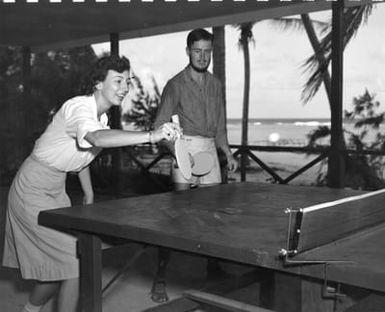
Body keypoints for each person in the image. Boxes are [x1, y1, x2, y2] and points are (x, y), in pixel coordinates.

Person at [2, 55, 180, 312]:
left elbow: (82, 154)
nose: (124, 88)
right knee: (75, 263)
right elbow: (96, 139)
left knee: (54, 270)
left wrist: (88, 192)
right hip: (30, 190)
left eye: (128, 81)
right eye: (117, 80)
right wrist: (152, 135)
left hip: (56, 189)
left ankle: (28, 310)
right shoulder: (79, 108)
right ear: (98, 82)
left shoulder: (103, 118)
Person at [151, 28, 238, 303]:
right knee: (176, 218)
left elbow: (220, 126)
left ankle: (213, 268)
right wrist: (177, 152)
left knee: (212, 215)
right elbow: (158, 126)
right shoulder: (175, 84)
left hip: (210, 150)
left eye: (207, 51)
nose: (203, 56)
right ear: (188, 51)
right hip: (184, 148)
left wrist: (228, 152)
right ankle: (160, 277)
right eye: (197, 51)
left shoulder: (216, 84)